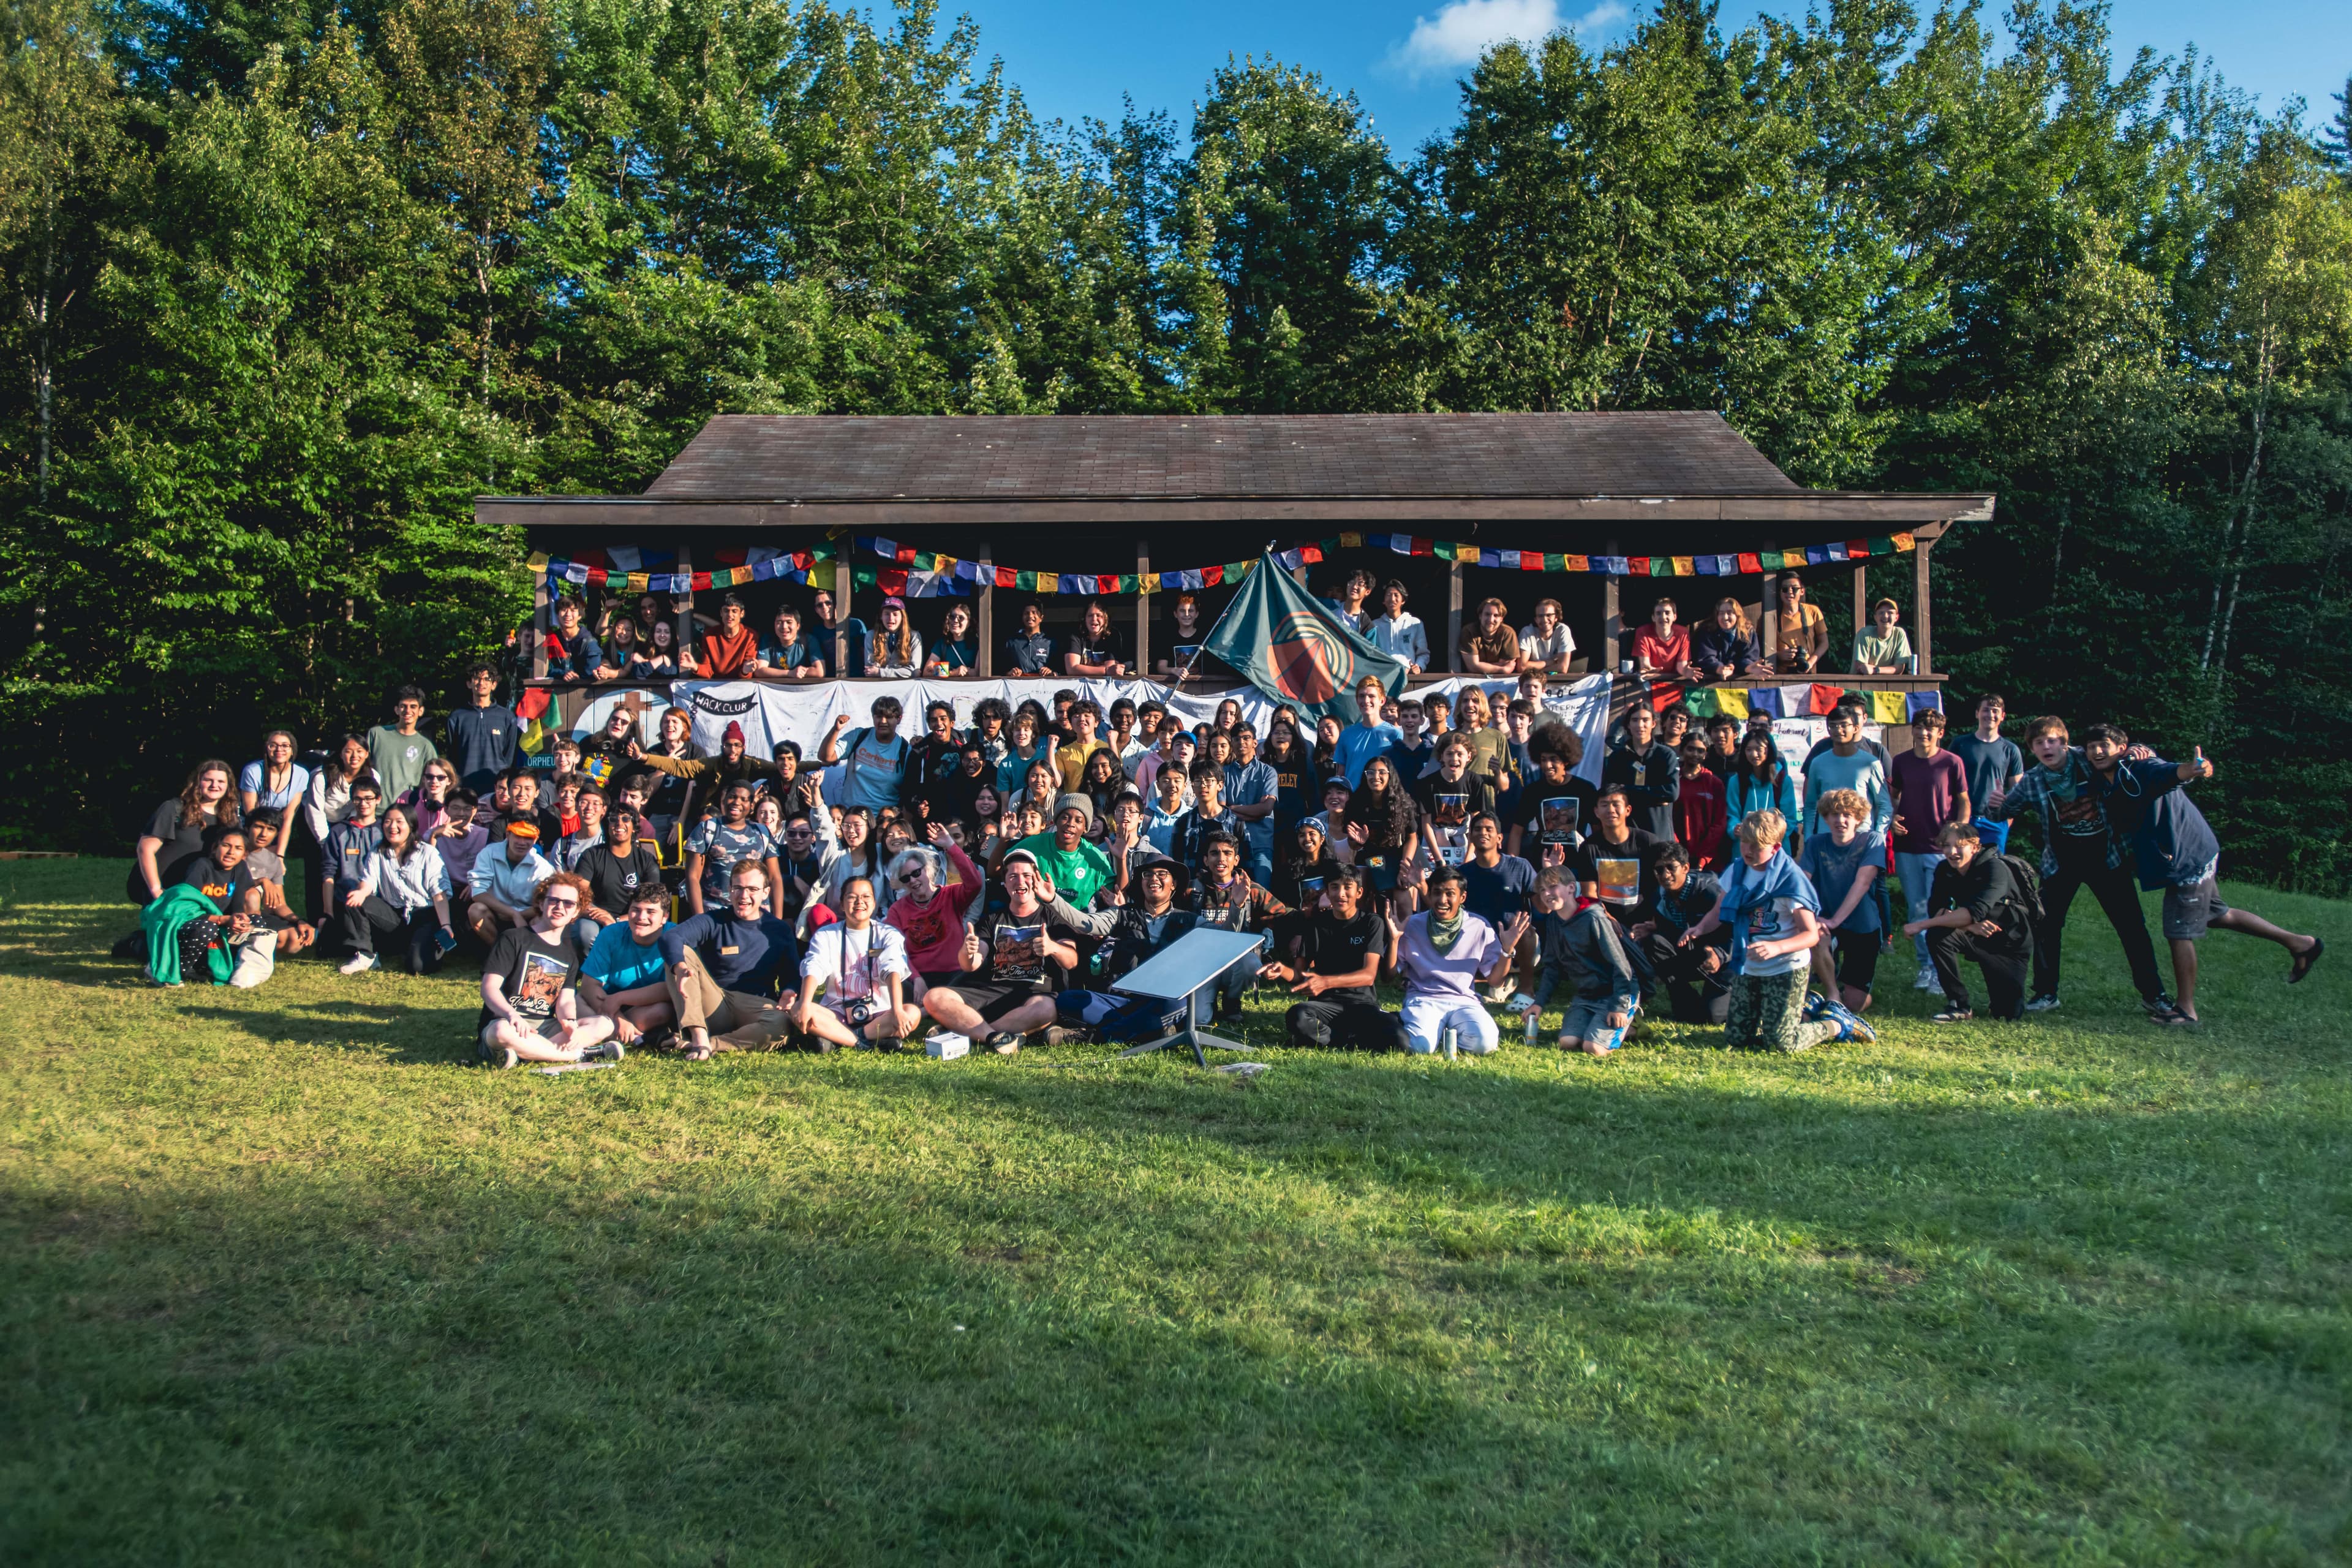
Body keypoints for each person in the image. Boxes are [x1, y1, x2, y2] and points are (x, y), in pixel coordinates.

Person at [2082, 726, 2321, 1025]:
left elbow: (2172, 773)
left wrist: (2194, 769)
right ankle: (2301, 944)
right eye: (2092, 747)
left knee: (2178, 930)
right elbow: (2068, 754)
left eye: (2104, 745)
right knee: (2218, 915)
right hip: (2193, 849)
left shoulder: (2141, 768)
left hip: (2188, 856)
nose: (2097, 752)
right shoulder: (2103, 773)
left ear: (2121, 747)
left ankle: (2186, 1009)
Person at [1980, 716, 2171, 1017]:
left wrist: (2138, 749)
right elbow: (2002, 813)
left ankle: (2154, 994)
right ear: (2032, 749)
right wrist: (1995, 804)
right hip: (2061, 863)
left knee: (2131, 927)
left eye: (2052, 740)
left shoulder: (2087, 759)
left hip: (2107, 859)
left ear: (2065, 742)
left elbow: (2120, 751)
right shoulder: (2033, 780)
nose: (2046, 747)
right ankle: (2046, 993)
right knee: (2045, 926)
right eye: (2039, 743)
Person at [1678, 809, 1863, 1052]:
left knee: (1781, 1043)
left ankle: (1835, 1024)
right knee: (1736, 1038)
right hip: (1750, 965)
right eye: (1745, 842)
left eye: (1757, 845)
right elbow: (1720, 909)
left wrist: (1777, 947)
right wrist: (1700, 928)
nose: (1749, 850)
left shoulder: (1791, 880)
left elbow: (1810, 934)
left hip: (1786, 967)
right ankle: (1807, 1007)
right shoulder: (1738, 870)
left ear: (1775, 847)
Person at [923, 851, 1082, 1052]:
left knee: (1047, 1009)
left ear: (1036, 880)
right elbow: (971, 964)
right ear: (1005, 884)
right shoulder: (992, 919)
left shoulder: (1054, 917)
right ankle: (992, 1037)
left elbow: (1072, 961)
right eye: (1013, 877)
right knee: (934, 997)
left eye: (1026, 876)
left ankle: (966, 1032)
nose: (1020, 881)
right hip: (991, 990)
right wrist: (968, 951)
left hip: (1033, 995)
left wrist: (1053, 948)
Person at [476, 872, 621, 1069]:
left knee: (604, 1024)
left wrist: (569, 1022)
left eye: (568, 903)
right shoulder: (513, 938)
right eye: (554, 901)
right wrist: (512, 1015)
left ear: (576, 912)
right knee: (501, 1033)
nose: (560, 907)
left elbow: (566, 1000)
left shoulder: (569, 955)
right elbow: (489, 988)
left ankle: (526, 1053)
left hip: (545, 1027)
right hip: (506, 1022)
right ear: (541, 904)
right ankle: (576, 1055)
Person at [662, 861, 799, 1058]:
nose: (744, 896)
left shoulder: (779, 930)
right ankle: (698, 1034)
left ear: (765, 892)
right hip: (715, 1000)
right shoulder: (714, 920)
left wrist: (789, 990)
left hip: (756, 1004)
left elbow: (793, 974)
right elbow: (671, 937)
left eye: (752, 889)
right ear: (729, 890)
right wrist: (680, 966)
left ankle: (708, 1044)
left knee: (781, 1023)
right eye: (738, 888)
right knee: (679, 952)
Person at [1260, 867, 1404, 1050]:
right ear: (1327, 892)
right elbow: (1299, 974)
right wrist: (1282, 970)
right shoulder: (1316, 925)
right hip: (1325, 1006)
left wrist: (1326, 982)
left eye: (1347, 888)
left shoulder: (1371, 922)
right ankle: (1353, 1040)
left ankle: (1332, 1039)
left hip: (1362, 1004)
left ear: (1359, 892)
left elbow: (1368, 975)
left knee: (1400, 1041)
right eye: (1334, 888)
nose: (1340, 894)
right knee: (1297, 1016)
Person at [1390, 867, 1527, 1056]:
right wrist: (1395, 939)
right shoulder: (1412, 924)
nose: (1442, 900)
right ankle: (1426, 1029)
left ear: (1462, 897)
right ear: (1429, 894)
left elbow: (1496, 981)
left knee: (1484, 1044)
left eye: (1450, 894)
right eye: (1437, 892)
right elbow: (1389, 975)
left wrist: (1507, 950)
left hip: (1464, 1000)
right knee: (1419, 1047)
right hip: (1424, 999)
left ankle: (1444, 1032)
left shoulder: (1478, 926)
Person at [1902, 823, 2030, 1023]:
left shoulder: (1995, 868)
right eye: (1946, 845)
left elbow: (1975, 912)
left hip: (2008, 943)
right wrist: (1968, 926)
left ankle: (2002, 997)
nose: (1952, 852)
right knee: (1938, 934)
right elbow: (1937, 910)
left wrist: (1921, 925)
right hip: (1974, 936)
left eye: (1959, 845)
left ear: (1975, 847)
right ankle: (1958, 1004)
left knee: (2007, 1014)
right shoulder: (1944, 869)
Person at [1887, 706, 1970, 990]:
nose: (1924, 733)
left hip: (1940, 849)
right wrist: (1892, 818)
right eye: (1920, 727)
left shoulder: (1952, 762)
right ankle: (1926, 966)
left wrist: (1958, 834)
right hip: (1908, 845)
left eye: (1930, 729)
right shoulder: (1901, 762)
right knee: (1916, 909)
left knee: (1941, 910)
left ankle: (1941, 967)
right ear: (1912, 730)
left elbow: (1963, 801)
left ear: (1940, 733)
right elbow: (1893, 797)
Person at [793, 876, 922, 1050]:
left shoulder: (888, 934)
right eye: (852, 897)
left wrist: (897, 1010)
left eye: (866, 897)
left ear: (875, 903)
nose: (859, 902)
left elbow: (893, 969)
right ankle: (862, 1043)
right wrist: (805, 1003)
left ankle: (840, 1038)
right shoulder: (826, 935)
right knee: (797, 1009)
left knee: (911, 1013)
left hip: (879, 1014)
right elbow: (814, 966)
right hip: (836, 1012)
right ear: (842, 904)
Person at [1523, 867, 1641, 1055]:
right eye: (1542, 890)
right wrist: (1539, 1003)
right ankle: (1616, 1026)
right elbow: (1552, 967)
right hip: (1586, 995)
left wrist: (1619, 1006)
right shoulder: (1553, 920)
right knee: (1568, 1042)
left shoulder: (1594, 918)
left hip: (1615, 994)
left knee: (1593, 1048)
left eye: (1553, 887)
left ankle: (1630, 1021)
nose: (1547, 894)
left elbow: (1621, 966)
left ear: (1571, 888)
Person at [338, 805, 456, 975]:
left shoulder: (428, 853)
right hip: (396, 914)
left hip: (425, 914)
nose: (392, 827)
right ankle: (366, 955)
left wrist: (446, 925)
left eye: (399, 822)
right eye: (387, 822)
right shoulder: (378, 849)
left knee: (417, 967)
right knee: (355, 900)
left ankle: (422, 947)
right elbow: (368, 881)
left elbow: (439, 894)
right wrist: (361, 892)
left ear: (411, 826)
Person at [1796, 788, 1884, 1014]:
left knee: (1856, 1005)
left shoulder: (1872, 841)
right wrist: (1813, 918)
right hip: (1825, 922)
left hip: (1862, 926)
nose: (1841, 820)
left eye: (1847, 815)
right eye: (1834, 815)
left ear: (1858, 818)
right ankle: (1833, 993)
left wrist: (1836, 920)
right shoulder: (1816, 843)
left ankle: (1842, 995)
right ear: (1825, 818)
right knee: (1815, 936)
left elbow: (1863, 883)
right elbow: (1801, 883)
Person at [1629, 845, 1730, 1024]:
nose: (1665, 874)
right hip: (1695, 955)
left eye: (1671, 868)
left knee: (1715, 1018)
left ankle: (1736, 994)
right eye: (1659, 869)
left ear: (1685, 868)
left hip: (1723, 959)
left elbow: (1739, 932)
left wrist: (1720, 955)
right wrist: (1655, 929)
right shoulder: (1659, 896)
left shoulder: (1711, 893)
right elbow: (1680, 931)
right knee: (1654, 942)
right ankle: (1687, 1006)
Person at [130, 760, 239, 913]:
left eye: (221, 781)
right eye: (208, 780)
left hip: (206, 893)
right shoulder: (174, 809)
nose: (215, 785)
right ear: (198, 782)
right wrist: (156, 890)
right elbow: (145, 849)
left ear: (229, 786)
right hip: (168, 889)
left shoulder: (230, 819)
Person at [885, 827, 983, 993]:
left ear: (927, 870)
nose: (913, 880)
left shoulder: (950, 894)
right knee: (893, 982)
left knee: (976, 974)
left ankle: (929, 1007)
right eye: (906, 878)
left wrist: (951, 847)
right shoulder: (897, 910)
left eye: (916, 873)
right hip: (919, 978)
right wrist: (916, 978)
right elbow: (894, 950)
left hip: (955, 974)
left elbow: (975, 883)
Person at [578, 886, 677, 1049]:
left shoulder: (674, 937)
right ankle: (631, 1035)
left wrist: (620, 998)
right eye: (635, 910)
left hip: (646, 1007)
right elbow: (589, 985)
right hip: (606, 1004)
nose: (641, 917)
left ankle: (605, 1031)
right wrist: (618, 1018)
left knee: (663, 1011)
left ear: (665, 917)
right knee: (577, 1002)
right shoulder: (611, 934)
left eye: (650, 912)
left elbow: (671, 988)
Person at [1457, 813, 1537, 1000]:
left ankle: (1526, 990)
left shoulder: (1520, 866)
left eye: (1489, 829)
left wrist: (1551, 874)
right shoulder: (1462, 873)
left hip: (1516, 940)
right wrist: (1421, 885)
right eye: (1477, 829)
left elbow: (1543, 906)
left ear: (1499, 838)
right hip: (1478, 942)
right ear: (1470, 838)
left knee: (1527, 932)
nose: (1483, 833)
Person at [684, 781, 783, 918]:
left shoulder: (763, 833)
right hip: (715, 912)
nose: (737, 802)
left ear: (752, 805)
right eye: (732, 797)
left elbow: (774, 878)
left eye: (744, 799)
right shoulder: (706, 829)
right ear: (724, 800)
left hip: (756, 914)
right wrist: (699, 920)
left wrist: (777, 921)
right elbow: (692, 877)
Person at [1340, 755, 1420, 922]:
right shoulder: (1357, 803)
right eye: (1371, 772)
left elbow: (1412, 838)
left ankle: (1409, 940)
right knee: (1365, 890)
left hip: (1404, 854)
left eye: (1382, 772)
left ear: (1390, 776)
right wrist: (1358, 842)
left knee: (1403, 895)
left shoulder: (1403, 803)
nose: (1376, 777)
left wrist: (1404, 869)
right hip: (1375, 856)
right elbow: (1353, 844)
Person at [1947, 694, 2024, 852]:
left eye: (1995, 711)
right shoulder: (1960, 744)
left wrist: (2007, 819)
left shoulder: (2010, 750)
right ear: (1977, 713)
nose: (1990, 715)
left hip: (1995, 822)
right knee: (1962, 868)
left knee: (1994, 869)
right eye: (1986, 710)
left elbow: (2018, 791)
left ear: (2003, 716)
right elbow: (1946, 782)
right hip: (1963, 818)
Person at [1802, 704, 1890, 840]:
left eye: (1844, 725)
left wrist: (1879, 837)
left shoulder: (1870, 763)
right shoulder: (1818, 763)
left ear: (1855, 728)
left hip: (1862, 838)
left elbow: (1884, 804)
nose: (1838, 730)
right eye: (1833, 726)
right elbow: (1810, 805)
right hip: (1826, 839)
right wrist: (1809, 839)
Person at [236, 809, 316, 959]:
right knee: (252, 894)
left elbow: (279, 904)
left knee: (294, 940)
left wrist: (299, 921)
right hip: (235, 911)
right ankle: (245, 952)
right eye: (258, 827)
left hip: (261, 916)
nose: (264, 834)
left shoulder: (273, 861)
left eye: (270, 830)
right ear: (248, 828)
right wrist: (261, 881)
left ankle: (254, 949)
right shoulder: (236, 851)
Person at [465, 819, 557, 948]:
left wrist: (520, 916)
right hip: (497, 912)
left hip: (527, 916)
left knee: (542, 919)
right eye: (518, 836)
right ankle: (498, 951)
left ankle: (526, 955)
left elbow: (545, 904)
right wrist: (513, 914)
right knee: (476, 910)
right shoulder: (489, 853)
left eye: (528, 838)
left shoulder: (543, 867)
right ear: (508, 835)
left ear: (535, 840)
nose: (522, 843)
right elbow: (478, 893)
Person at [1019, 793, 1116, 908]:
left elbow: (1116, 895)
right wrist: (1004, 840)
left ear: (1085, 828)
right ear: (1056, 821)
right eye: (1065, 818)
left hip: (1076, 923)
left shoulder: (1096, 858)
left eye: (1078, 821)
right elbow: (996, 870)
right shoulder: (1033, 844)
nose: (1070, 824)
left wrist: (1121, 859)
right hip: (1036, 919)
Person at [575, 806, 665, 927]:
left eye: (626, 819)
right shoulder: (591, 855)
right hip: (597, 918)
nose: (619, 823)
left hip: (635, 920)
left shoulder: (647, 860)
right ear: (607, 826)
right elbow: (578, 896)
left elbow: (651, 902)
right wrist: (604, 918)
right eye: (613, 819)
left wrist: (617, 921)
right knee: (585, 930)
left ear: (634, 827)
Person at [1602, 703, 1679, 842]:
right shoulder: (1618, 757)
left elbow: (1671, 793)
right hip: (1626, 834)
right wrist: (1656, 796)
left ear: (1654, 724)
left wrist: (1627, 790)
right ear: (1628, 725)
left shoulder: (1666, 755)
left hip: (1658, 834)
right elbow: (1610, 794)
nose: (1640, 725)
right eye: (1635, 720)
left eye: (1645, 720)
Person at [1415, 734, 1496, 867]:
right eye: (1450, 754)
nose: (1454, 759)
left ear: (1469, 757)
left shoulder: (1474, 781)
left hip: (1464, 840)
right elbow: (1426, 825)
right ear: (1442, 757)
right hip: (1434, 841)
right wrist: (1439, 859)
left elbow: (1475, 822)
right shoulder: (1428, 783)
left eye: (1460, 754)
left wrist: (1469, 855)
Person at [1509, 738, 1594, 862]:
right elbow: (1517, 831)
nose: (1547, 765)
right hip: (1543, 862)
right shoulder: (1533, 791)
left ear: (1565, 760)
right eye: (1543, 760)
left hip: (1579, 863)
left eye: (1553, 759)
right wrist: (1514, 865)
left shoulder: (1585, 789)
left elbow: (1598, 831)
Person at [1722, 729, 1799, 863]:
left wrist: (1768, 838)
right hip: (1745, 851)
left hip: (1775, 851)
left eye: (1759, 749)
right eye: (1749, 750)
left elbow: (1790, 819)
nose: (1754, 754)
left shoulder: (1783, 781)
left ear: (1769, 750)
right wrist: (1734, 828)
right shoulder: (1736, 781)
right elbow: (1731, 815)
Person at [445, 663, 521, 795]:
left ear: (494, 685)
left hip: (497, 788)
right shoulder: (457, 717)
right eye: (477, 679)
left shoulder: (507, 717)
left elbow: (510, 756)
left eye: (487, 679)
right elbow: (452, 756)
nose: (482, 683)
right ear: (469, 684)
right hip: (464, 787)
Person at [365, 686, 440, 805]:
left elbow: (433, 780)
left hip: (406, 812)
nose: (408, 711)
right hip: (375, 808)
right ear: (396, 710)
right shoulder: (377, 734)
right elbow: (361, 768)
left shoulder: (426, 746)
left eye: (413, 707)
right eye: (403, 706)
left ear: (421, 711)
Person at [1336, 677, 1404, 788]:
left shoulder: (1395, 735)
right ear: (1357, 700)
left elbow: (1400, 773)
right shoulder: (1346, 735)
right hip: (1353, 800)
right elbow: (1341, 773)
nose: (1366, 701)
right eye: (1362, 696)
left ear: (1382, 701)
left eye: (1372, 696)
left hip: (1383, 800)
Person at [1674, 734, 1727, 867]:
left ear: (1706, 754)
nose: (1695, 754)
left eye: (1700, 751)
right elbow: (1666, 817)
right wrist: (1676, 848)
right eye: (1690, 749)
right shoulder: (1673, 780)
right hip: (1675, 854)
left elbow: (1720, 822)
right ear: (1682, 750)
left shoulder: (1714, 783)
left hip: (1708, 858)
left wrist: (1703, 856)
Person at [238, 730, 310, 819]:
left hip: (278, 824)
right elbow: (250, 812)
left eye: (285, 746)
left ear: (292, 750)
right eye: (273, 745)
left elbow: (289, 815)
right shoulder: (252, 772)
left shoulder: (301, 774)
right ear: (267, 749)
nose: (279, 749)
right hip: (251, 823)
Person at [1689, 598, 1763, 682]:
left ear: (1737, 615)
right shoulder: (1706, 631)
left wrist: (1747, 667)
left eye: (1729, 613)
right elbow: (1705, 658)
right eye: (1721, 613)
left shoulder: (1748, 633)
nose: (1725, 617)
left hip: (1740, 684)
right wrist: (1719, 668)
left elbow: (1749, 657)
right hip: (1707, 683)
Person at [1366, 579, 1430, 673]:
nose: (1392, 599)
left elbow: (1423, 653)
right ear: (1384, 601)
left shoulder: (1415, 623)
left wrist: (1419, 666)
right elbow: (1370, 653)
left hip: (1408, 676)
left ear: (1403, 600)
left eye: (1396, 595)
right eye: (1388, 595)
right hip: (1383, 676)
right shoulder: (1375, 625)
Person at [542, 596, 606, 682]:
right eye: (564, 610)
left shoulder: (589, 642)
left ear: (580, 616)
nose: (568, 614)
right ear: (557, 614)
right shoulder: (553, 639)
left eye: (573, 611)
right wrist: (563, 674)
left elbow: (592, 673)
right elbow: (546, 669)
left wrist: (576, 677)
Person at [1061, 598, 1129, 677]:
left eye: (1099, 616)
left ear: (1105, 619)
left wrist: (1081, 668)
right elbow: (1072, 669)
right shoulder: (1076, 636)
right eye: (1090, 615)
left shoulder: (1113, 635)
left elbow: (1112, 668)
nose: (1094, 619)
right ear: (1085, 619)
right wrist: (1105, 670)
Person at [1631, 598, 1694, 679]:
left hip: (1674, 682)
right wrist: (1647, 669)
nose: (1663, 617)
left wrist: (1685, 671)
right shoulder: (1643, 632)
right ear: (1653, 618)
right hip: (1650, 681)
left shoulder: (1683, 633)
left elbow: (1681, 666)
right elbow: (1645, 664)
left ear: (1675, 617)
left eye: (1667, 613)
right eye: (1658, 614)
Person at [755, 606, 825, 678]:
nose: (784, 627)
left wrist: (799, 672)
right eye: (779, 622)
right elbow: (759, 671)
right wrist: (789, 673)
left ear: (798, 626)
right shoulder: (768, 640)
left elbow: (820, 672)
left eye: (789, 622)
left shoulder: (808, 640)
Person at [863, 595, 922, 677]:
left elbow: (914, 671)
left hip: (905, 687)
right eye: (887, 614)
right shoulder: (871, 635)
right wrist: (901, 672)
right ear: (881, 616)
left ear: (903, 617)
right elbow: (870, 671)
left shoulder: (914, 636)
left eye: (895, 614)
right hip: (878, 686)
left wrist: (881, 672)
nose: (891, 618)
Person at [1852, 598, 1913, 674]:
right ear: (1875, 617)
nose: (1885, 616)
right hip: (1859, 685)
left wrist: (1875, 670)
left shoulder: (1899, 634)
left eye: (1890, 613)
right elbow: (1862, 668)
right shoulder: (1864, 634)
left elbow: (1899, 668)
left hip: (1888, 685)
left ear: (1897, 618)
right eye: (1881, 613)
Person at [1518, 598, 1576, 675]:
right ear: (1536, 619)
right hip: (1533, 680)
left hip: (1557, 681)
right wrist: (1552, 662)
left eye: (1549, 615)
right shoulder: (1527, 632)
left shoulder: (1563, 630)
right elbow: (1522, 667)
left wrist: (1534, 669)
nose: (1545, 620)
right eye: (1540, 616)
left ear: (1556, 618)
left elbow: (1563, 667)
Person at [1003, 600, 1057, 677]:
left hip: (1043, 687)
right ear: (1022, 617)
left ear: (1041, 618)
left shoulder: (1050, 642)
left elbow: (1060, 669)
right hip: (1017, 687)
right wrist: (1009, 673)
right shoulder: (1012, 642)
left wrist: (1051, 672)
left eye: (1034, 613)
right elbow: (1001, 668)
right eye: (1026, 613)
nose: (1030, 616)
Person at [927, 602, 977, 676]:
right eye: (952, 617)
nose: (956, 621)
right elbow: (927, 671)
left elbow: (978, 672)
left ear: (969, 623)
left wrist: (941, 669)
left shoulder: (976, 644)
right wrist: (952, 673)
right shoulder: (942, 643)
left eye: (961, 618)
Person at [1322, 568, 1378, 633]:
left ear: (1368, 592)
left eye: (1360, 584)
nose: (1354, 587)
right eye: (1351, 582)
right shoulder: (1329, 606)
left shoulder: (1367, 626)